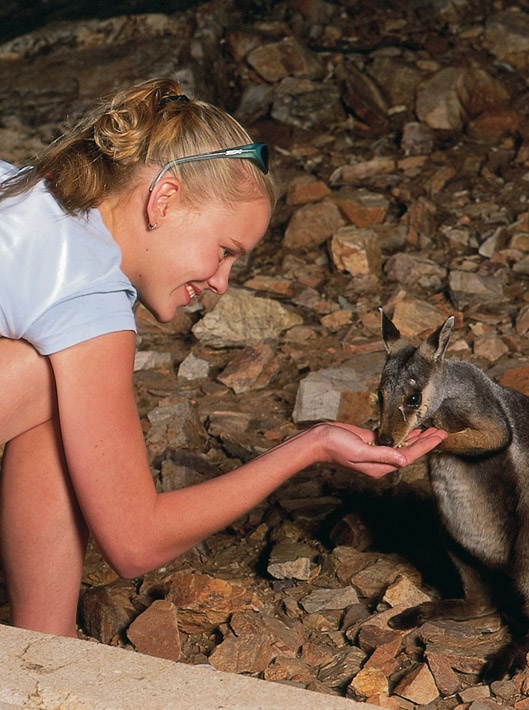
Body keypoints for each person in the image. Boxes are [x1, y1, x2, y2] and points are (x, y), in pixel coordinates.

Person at [0, 77, 447, 639]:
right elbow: (136, 543)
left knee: (54, 383)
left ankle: (44, 641)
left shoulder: (19, 188)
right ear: (163, 199)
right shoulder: (87, 293)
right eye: (224, 252)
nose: (220, 283)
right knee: (50, 378)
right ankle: (47, 642)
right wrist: (309, 447)